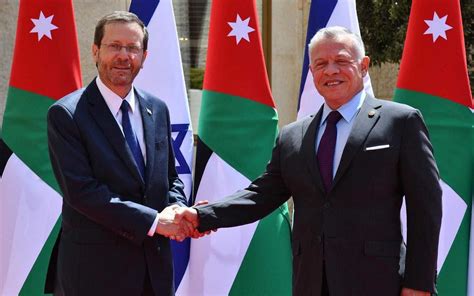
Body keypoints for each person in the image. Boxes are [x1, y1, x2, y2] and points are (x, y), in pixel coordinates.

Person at [177, 26, 442, 296]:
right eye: (321, 64)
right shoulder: (293, 136)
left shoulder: (401, 122)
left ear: (363, 66)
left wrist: (419, 283)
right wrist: (201, 216)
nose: (330, 71)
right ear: (312, 72)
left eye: (341, 61)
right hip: (311, 282)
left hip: (379, 282)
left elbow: (426, 208)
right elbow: (260, 195)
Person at [45, 11, 193, 296]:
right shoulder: (67, 115)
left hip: (154, 274)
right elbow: (82, 192)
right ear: (96, 51)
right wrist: (154, 221)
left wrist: (176, 209)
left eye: (132, 48)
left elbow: (170, 176)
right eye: (115, 46)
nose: (124, 56)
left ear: (144, 56)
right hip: (95, 275)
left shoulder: (157, 109)